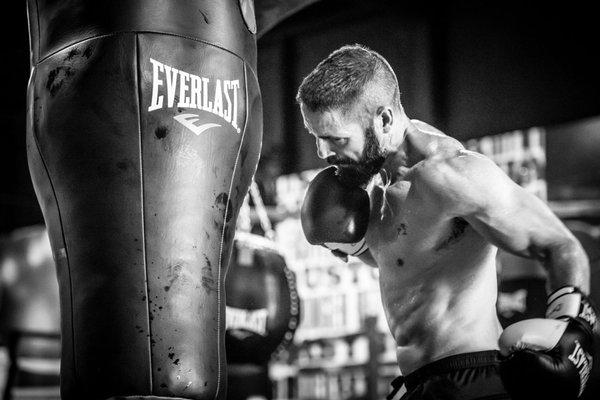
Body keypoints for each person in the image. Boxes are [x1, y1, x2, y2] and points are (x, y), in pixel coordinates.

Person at [298, 44, 596, 400]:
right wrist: (350, 244)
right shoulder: (369, 182)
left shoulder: (452, 174)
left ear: (385, 120)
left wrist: (573, 329)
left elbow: (560, 245)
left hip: (474, 379)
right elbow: (408, 265)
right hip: (416, 383)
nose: (322, 152)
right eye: (316, 137)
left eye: (335, 138)